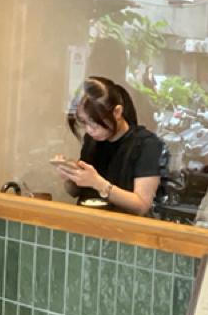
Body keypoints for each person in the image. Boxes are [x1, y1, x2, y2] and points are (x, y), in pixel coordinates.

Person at [56, 77, 166, 216]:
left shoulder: (146, 144)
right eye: (84, 122)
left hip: (122, 226)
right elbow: (76, 192)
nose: (89, 130)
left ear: (117, 112)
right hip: (87, 221)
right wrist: (70, 177)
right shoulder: (92, 141)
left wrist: (99, 184)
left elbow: (142, 206)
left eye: (94, 122)